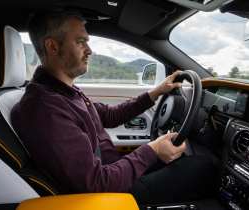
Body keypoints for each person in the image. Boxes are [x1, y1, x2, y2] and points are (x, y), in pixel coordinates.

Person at [11, 11, 217, 205]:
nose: (89, 50)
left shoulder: (62, 92)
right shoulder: (44, 109)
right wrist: (152, 150)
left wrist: (157, 92)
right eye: (81, 42)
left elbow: (109, 116)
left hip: (114, 172)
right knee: (204, 167)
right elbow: (96, 184)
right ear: (53, 47)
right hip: (110, 194)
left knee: (186, 157)